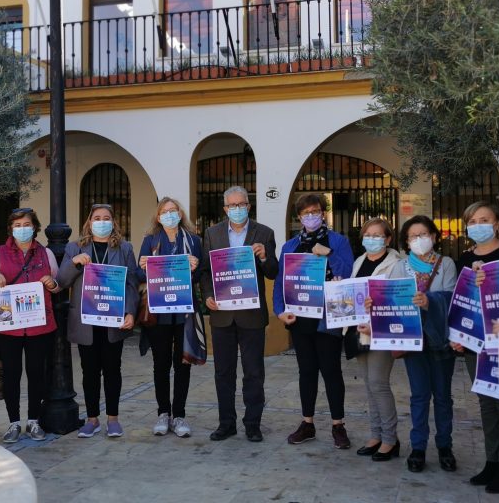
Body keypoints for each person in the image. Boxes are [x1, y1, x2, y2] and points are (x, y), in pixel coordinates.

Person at [450, 200, 499, 494]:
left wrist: (490, 278)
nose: (477, 225)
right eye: (472, 221)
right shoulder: (464, 260)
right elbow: (462, 302)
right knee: (485, 401)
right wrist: (457, 335)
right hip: (474, 341)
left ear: (496, 223)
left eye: (484, 219)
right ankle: (491, 460)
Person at [273, 194, 355, 449]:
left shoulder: (338, 241)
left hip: (328, 318)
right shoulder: (290, 246)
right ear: (299, 217)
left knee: (331, 371)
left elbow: (348, 271)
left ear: (323, 213)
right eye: (306, 213)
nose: (311, 216)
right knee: (306, 372)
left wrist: (328, 254)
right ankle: (307, 423)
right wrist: (279, 311)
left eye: (315, 211)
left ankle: (338, 425)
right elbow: (280, 282)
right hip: (300, 319)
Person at [200, 185, 278, 442]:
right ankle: (226, 423)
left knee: (253, 371)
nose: (237, 209)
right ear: (225, 209)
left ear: (248, 205)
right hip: (222, 313)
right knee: (223, 371)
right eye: (231, 205)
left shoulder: (264, 233)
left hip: (251, 314)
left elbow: (272, 272)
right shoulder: (212, 234)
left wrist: (265, 257)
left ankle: (253, 424)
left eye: (241, 204)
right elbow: (205, 272)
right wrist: (208, 295)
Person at [0, 208, 61, 443]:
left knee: (37, 374)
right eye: (17, 225)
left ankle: (34, 421)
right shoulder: (0, 253)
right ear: (11, 229)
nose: (22, 229)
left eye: (27, 224)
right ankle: (14, 422)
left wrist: (52, 283)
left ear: (34, 227)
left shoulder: (46, 254)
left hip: (40, 325)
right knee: (12, 374)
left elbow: (57, 283)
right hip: (9, 327)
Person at [59, 203, 138, 439]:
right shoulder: (75, 247)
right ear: (89, 222)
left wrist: (130, 312)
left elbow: (132, 284)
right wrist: (75, 263)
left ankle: (113, 419)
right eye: (97, 218)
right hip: (87, 321)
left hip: (114, 319)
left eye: (106, 218)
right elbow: (61, 280)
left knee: (113, 370)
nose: (101, 222)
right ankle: (92, 419)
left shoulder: (124, 248)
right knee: (89, 371)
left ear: (113, 222)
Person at [389, 215, 459, 473]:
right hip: (412, 340)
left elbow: (452, 298)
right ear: (406, 242)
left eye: (423, 234)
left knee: (443, 396)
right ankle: (418, 446)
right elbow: (391, 297)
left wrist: (430, 301)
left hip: (440, 339)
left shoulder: (446, 263)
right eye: (413, 236)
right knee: (419, 396)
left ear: (434, 236)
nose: (419, 240)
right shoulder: (400, 266)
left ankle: (445, 446)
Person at [136, 197, 202, 438]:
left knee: (182, 363)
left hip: (183, 311)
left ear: (180, 214)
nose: (169, 215)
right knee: (160, 363)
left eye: (173, 210)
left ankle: (180, 414)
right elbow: (137, 273)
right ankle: (163, 413)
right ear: (158, 216)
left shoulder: (193, 241)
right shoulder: (150, 241)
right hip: (158, 312)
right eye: (165, 211)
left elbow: (199, 275)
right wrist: (142, 266)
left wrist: (195, 266)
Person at [347, 218, 404, 461]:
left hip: (381, 331)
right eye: (367, 234)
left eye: (377, 235)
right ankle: (375, 435)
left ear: (388, 239)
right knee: (369, 386)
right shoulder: (360, 261)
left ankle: (390, 440)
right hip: (360, 330)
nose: (371, 239)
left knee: (379, 384)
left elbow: (399, 299)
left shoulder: (397, 264)